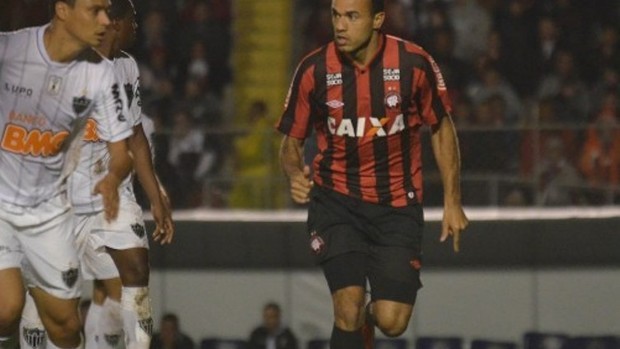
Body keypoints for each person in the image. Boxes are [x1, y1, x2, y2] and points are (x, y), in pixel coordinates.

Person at [276, 0, 469, 348]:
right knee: (346, 307)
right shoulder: (313, 69)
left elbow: (441, 128)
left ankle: (368, 321)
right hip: (335, 204)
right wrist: (294, 172)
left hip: (396, 207)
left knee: (392, 322)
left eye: (352, 16)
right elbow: (290, 144)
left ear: (378, 19)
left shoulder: (414, 63)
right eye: (336, 15)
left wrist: (453, 200)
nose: (340, 25)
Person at [17, 2, 174, 349]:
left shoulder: (127, 68)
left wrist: (156, 196)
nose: (137, 28)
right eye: (133, 21)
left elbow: (135, 135)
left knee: (136, 266)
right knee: (48, 298)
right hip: (60, 202)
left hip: (110, 197)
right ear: (115, 23)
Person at [0, 1, 134, 349]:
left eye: (107, 11)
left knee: (64, 327)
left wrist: (112, 178)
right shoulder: (10, 49)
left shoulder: (101, 74)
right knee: (7, 306)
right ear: (62, 10)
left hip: (49, 212)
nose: (107, 21)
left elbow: (123, 153)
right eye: (95, 11)